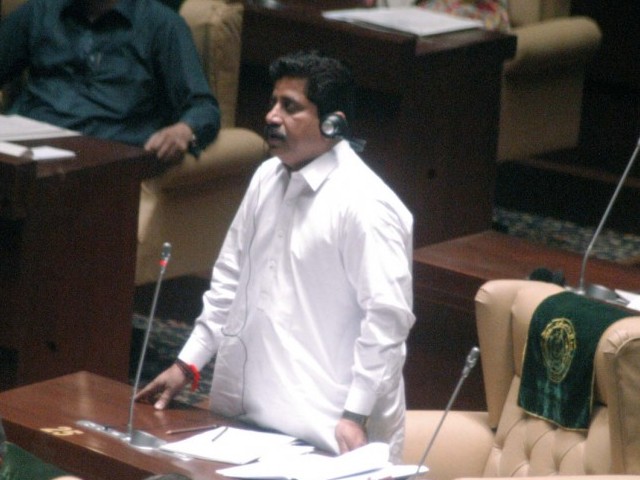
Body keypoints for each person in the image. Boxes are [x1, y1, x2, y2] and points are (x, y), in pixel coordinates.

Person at [136, 51, 415, 462]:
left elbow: (386, 323)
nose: (271, 116)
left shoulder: (367, 205)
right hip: (251, 417)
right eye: (272, 103)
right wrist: (187, 364)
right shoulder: (266, 177)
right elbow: (230, 281)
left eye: (290, 107)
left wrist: (355, 414)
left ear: (333, 123)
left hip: (332, 431)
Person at [0, 0, 220, 163]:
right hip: (24, 153)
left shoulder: (162, 26)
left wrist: (182, 131)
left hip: (104, 162)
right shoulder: (41, 12)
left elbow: (203, 107)